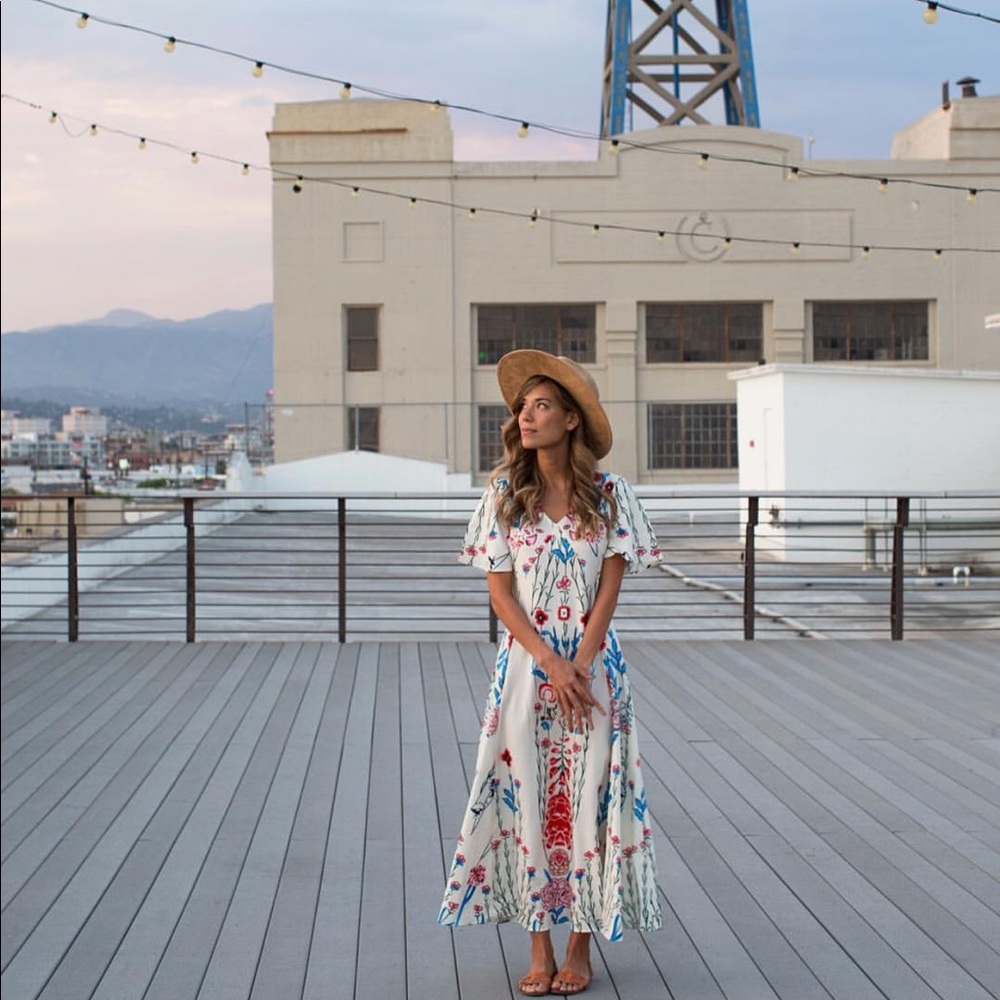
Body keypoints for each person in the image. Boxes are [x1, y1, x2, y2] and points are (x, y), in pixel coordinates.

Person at [438, 350, 662, 996]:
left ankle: (580, 948)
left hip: (592, 672)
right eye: (522, 408)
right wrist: (547, 660)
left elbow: (611, 589)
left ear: (570, 420)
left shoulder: (611, 495)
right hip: (527, 668)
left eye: (540, 406)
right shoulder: (505, 494)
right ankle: (538, 946)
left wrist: (580, 664)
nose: (526, 416)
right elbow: (500, 594)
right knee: (526, 797)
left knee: (590, 799)